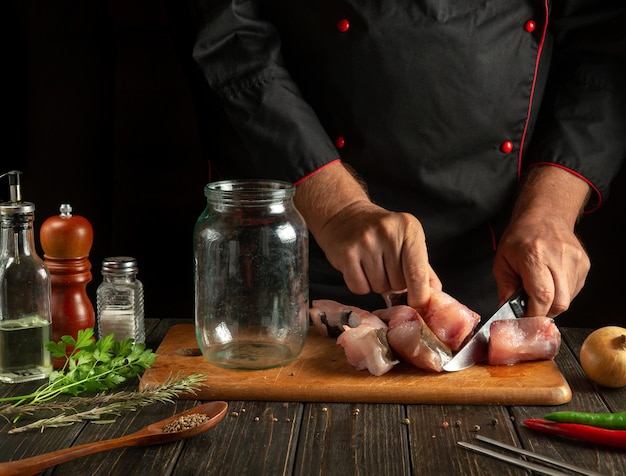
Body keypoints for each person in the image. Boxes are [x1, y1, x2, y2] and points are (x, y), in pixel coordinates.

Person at [185, 1, 626, 320]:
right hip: (297, 241)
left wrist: (551, 210)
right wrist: (339, 209)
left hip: (496, 256)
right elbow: (227, 37)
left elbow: (602, 46)